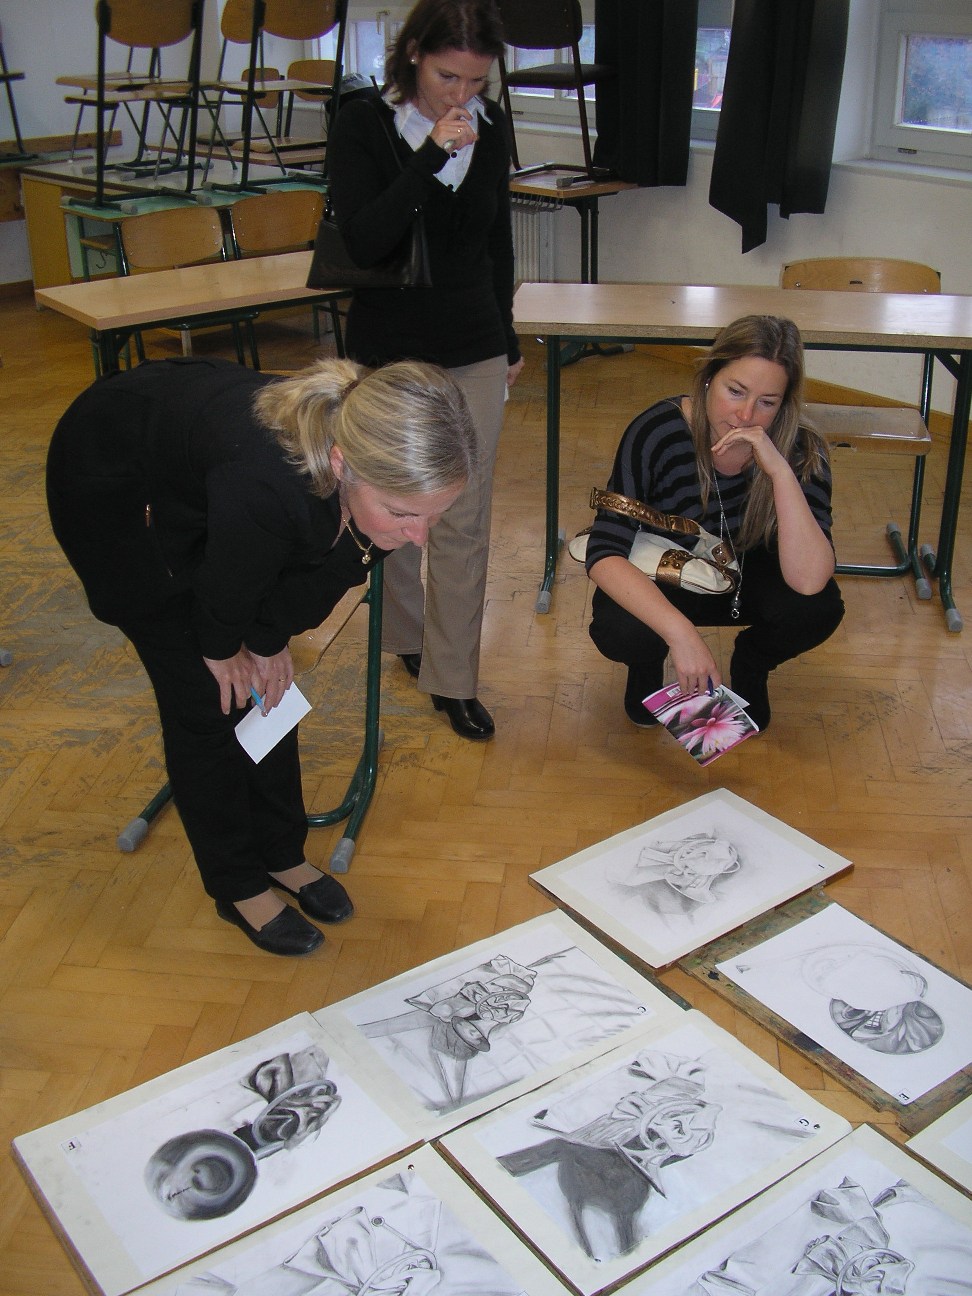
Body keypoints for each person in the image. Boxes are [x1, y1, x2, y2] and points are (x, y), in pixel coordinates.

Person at [47, 355, 475, 957]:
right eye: (405, 515)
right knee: (205, 697)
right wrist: (223, 646)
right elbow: (230, 586)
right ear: (342, 465)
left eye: (435, 515)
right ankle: (236, 884)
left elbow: (329, 573)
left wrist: (269, 640)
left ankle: (281, 854)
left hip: (210, 483)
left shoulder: (385, 483)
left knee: (268, 688)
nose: (419, 536)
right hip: (115, 488)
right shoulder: (270, 482)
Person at [327, 0, 523, 741]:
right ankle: (403, 637)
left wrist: (507, 339)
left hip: (473, 342)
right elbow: (366, 238)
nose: (461, 96)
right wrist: (430, 156)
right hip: (389, 350)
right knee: (391, 506)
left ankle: (454, 678)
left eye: (476, 81)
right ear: (413, 54)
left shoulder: (491, 126)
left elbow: (497, 242)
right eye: (448, 77)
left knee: (463, 516)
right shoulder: (362, 123)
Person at [585, 315, 845, 732]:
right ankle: (647, 665)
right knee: (620, 627)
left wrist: (780, 473)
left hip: (749, 573)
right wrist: (681, 634)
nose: (745, 415)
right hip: (672, 570)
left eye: (767, 402)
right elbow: (603, 552)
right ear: (708, 378)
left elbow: (810, 579)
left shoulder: (801, 448)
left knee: (817, 609)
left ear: (785, 404)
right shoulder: (657, 431)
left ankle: (752, 663)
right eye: (735, 391)